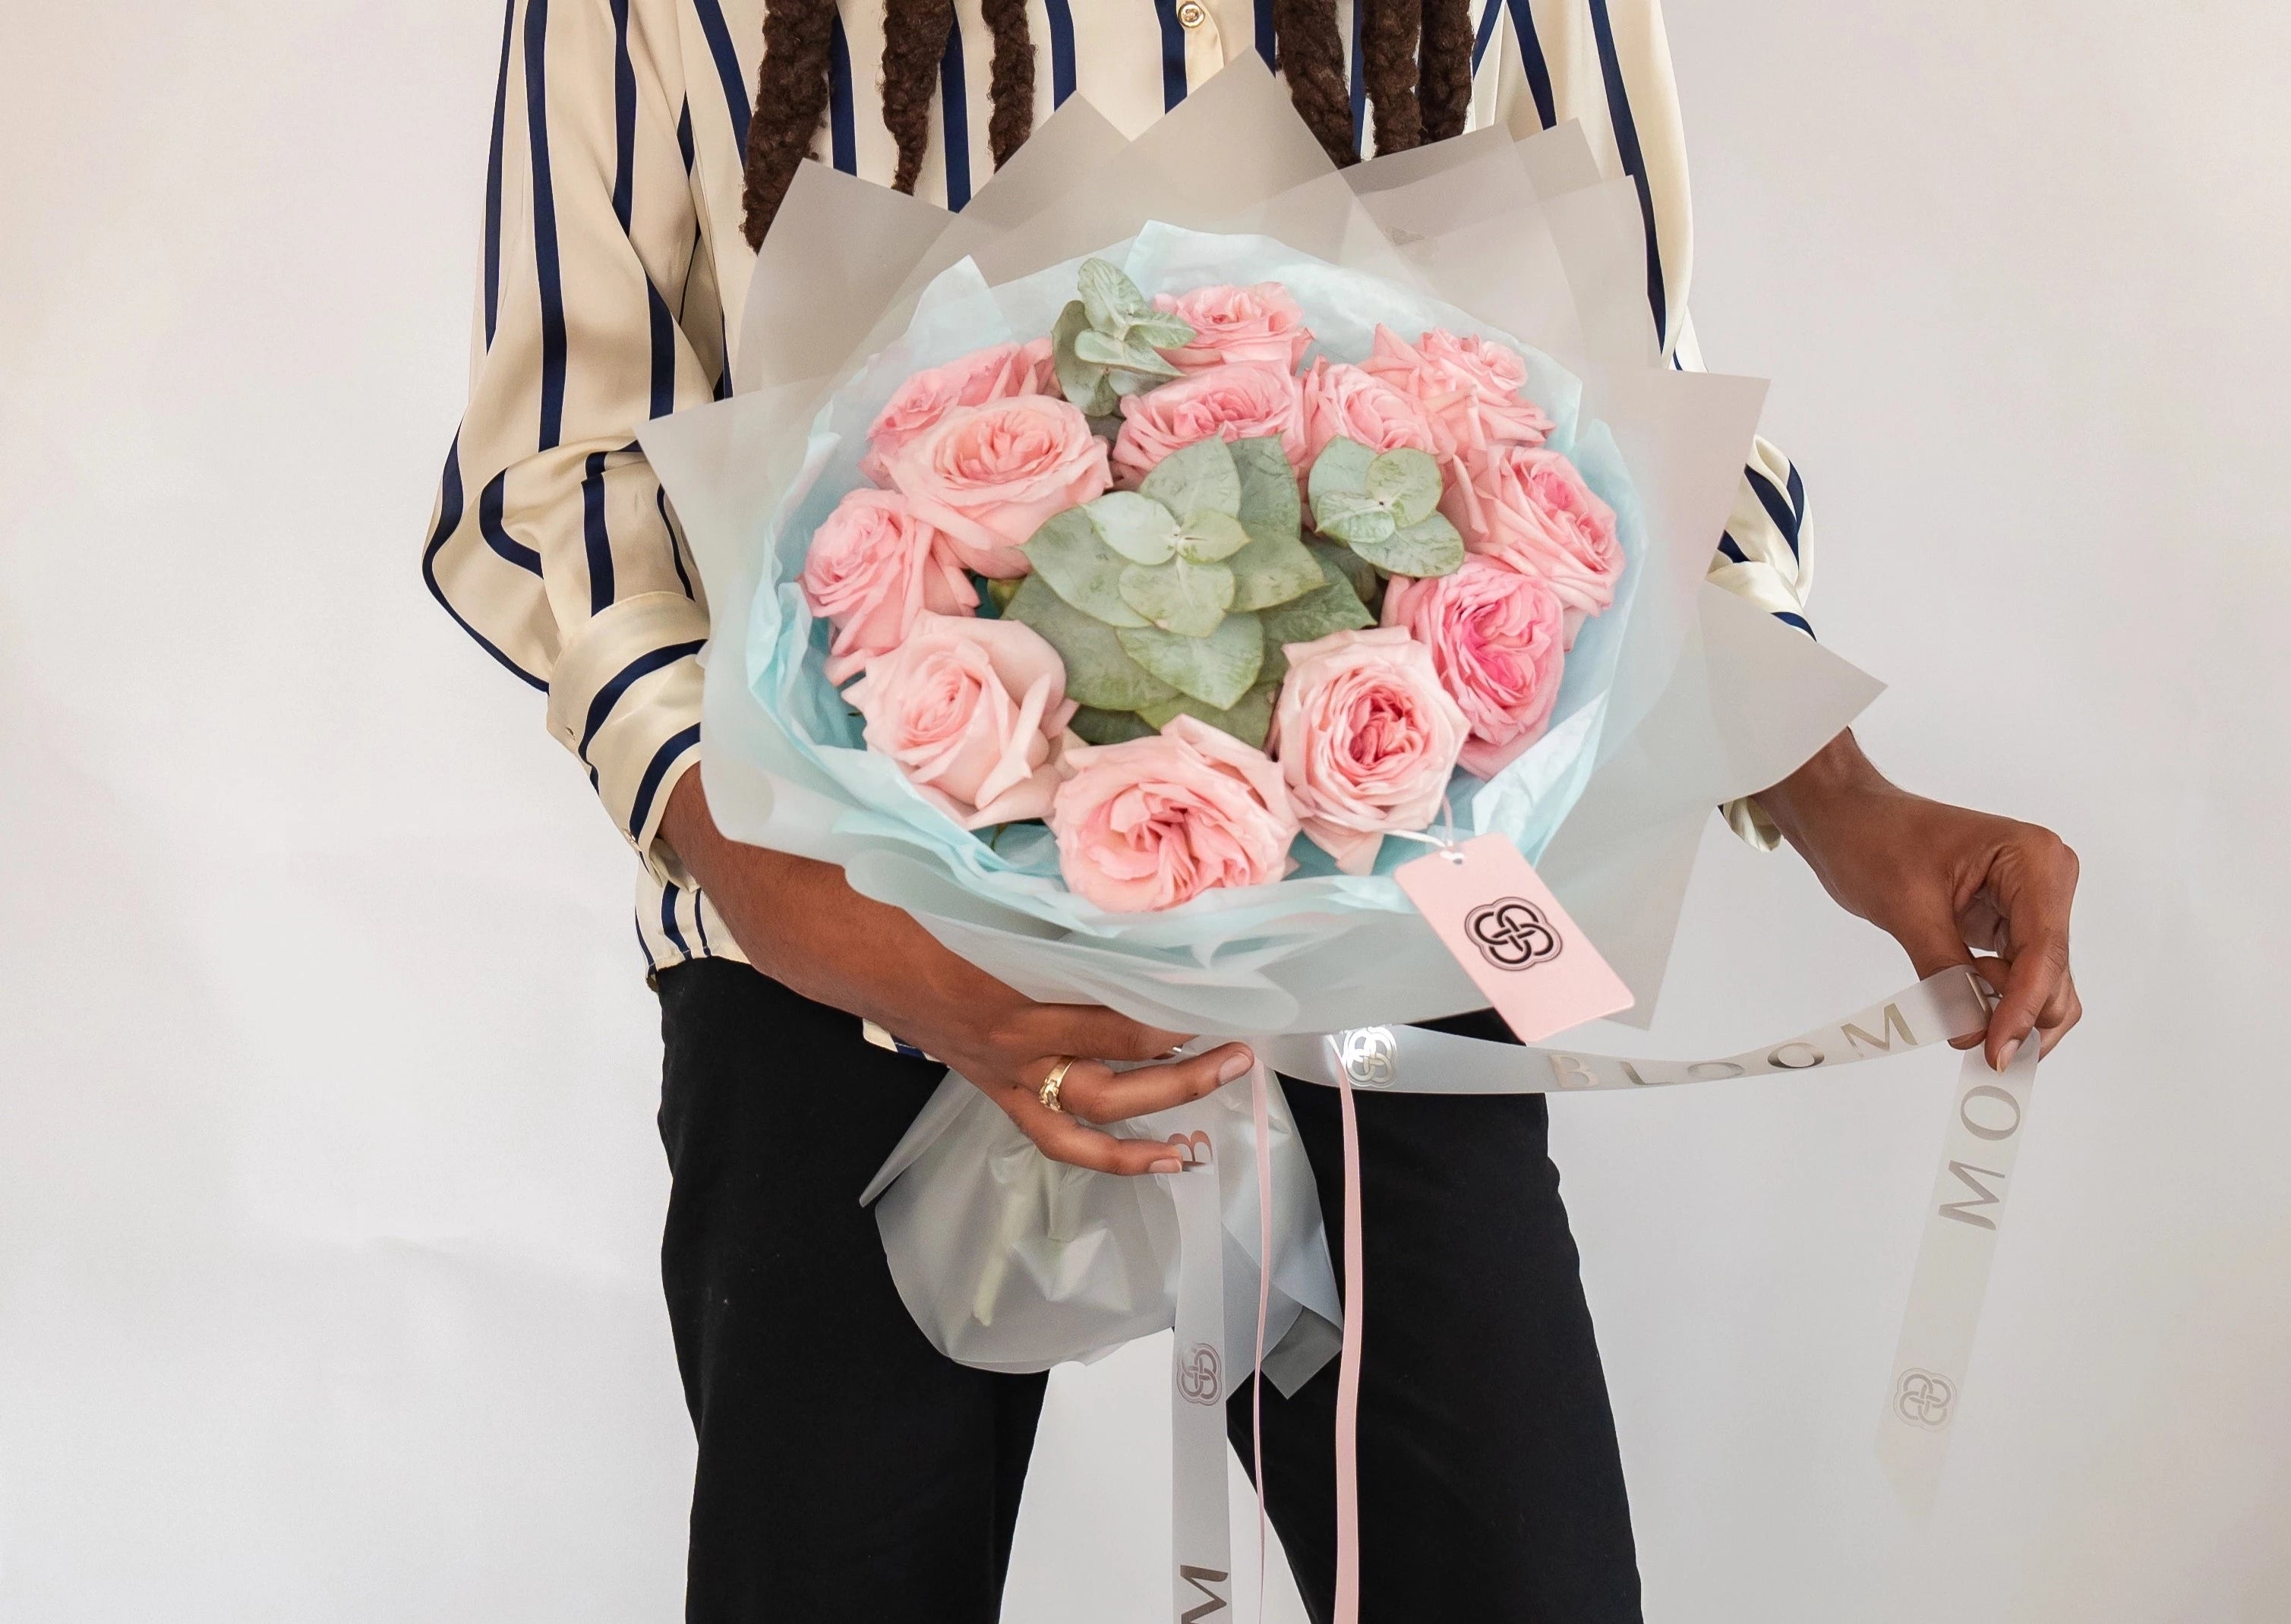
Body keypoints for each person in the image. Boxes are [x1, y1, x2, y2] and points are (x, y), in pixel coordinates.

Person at [423, 4, 2083, 1619]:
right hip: (849, 956)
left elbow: (1614, 403)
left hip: (1379, 923)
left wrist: (1844, 792)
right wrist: (774, 880)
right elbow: (557, 483)